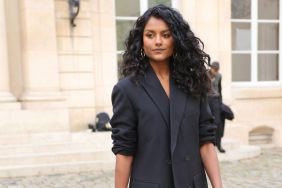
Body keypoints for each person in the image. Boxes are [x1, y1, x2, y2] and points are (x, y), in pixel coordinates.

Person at [110, 5, 222, 188]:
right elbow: (124, 151)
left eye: (166, 35)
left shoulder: (193, 82)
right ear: (141, 40)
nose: (158, 41)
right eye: (150, 35)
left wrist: (218, 186)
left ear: (176, 39)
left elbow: (206, 142)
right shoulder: (126, 89)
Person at [207, 61, 225, 153]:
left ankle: (219, 144)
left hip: (216, 100)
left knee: (218, 123)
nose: (215, 71)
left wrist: (221, 102)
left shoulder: (219, 76)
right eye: (214, 69)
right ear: (211, 68)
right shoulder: (205, 74)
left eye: (217, 69)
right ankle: (209, 145)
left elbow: (220, 89)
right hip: (207, 100)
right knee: (207, 122)